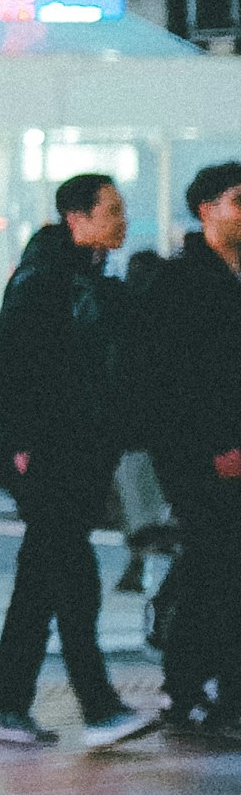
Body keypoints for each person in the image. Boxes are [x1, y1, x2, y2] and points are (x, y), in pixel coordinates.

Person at [0, 171, 154, 751]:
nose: (121, 219)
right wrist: (20, 445)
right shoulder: (46, 280)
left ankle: (7, 704)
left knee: (42, 578)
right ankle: (97, 705)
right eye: (111, 209)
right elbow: (8, 366)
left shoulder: (88, 277)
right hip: (49, 454)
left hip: (77, 451)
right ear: (76, 217)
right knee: (72, 578)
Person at [138, 163, 241, 741]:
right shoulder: (179, 282)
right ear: (205, 209)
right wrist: (210, 452)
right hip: (204, 455)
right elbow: (169, 382)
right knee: (214, 567)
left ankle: (215, 686)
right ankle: (191, 685)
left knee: (221, 568)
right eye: (238, 201)